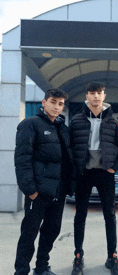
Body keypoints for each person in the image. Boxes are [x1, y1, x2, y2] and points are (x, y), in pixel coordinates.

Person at [14, 89, 75, 275]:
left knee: (51, 231)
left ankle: (41, 267)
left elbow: (67, 160)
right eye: (53, 102)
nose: (57, 107)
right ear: (44, 102)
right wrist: (30, 190)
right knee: (29, 234)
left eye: (60, 103)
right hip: (38, 192)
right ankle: (21, 271)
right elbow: (22, 159)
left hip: (58, 191)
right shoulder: (30, 124)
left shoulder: (63, 128)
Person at [69, 81, 118, 275]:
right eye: (92, 93)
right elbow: (71, 147)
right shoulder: (76, 120)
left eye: (99, 93)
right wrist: (75, 170)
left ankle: (112, 256)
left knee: (110, 215)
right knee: (80, 215)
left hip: (104, 173)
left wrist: (113, 168)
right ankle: (78, 256)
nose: (96, 96)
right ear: (87, 96)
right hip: (84, 173)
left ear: (104, 95)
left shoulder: (113, 121)